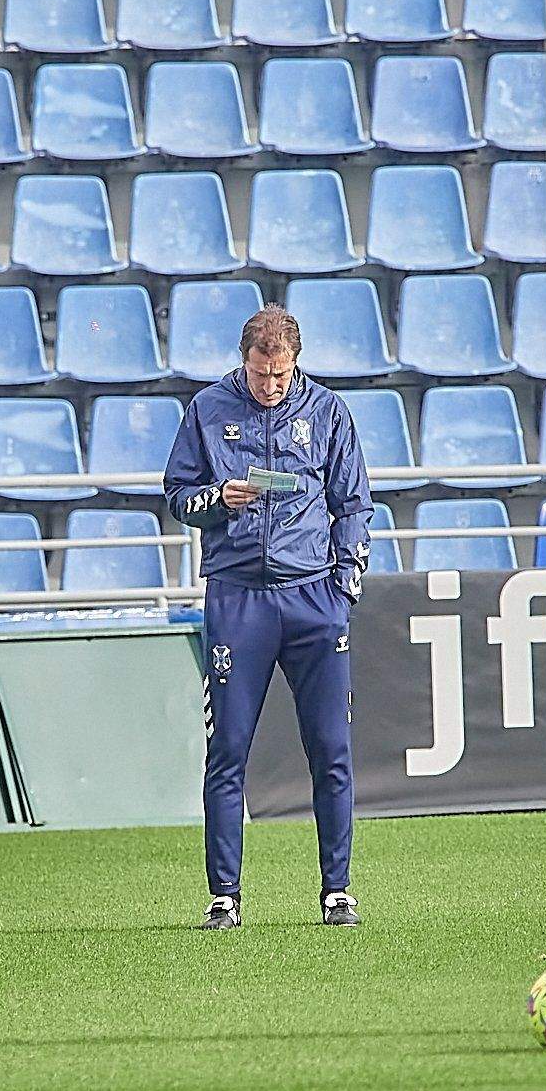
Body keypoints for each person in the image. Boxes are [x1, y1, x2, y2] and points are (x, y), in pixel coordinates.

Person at [164, 306, 373, 930]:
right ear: (244, 361)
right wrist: (216, 501)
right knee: (227, 750)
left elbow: (354, 502)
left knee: (331, 750)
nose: (271, 387)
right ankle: (223, 896)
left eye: (281, 376)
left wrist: (344, 586)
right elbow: (177, 497)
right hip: (237, 599)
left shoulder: (329, 410)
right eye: (261, 375)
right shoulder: (206, 409)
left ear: (295, 364)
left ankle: (337, 891)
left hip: (313, 598)